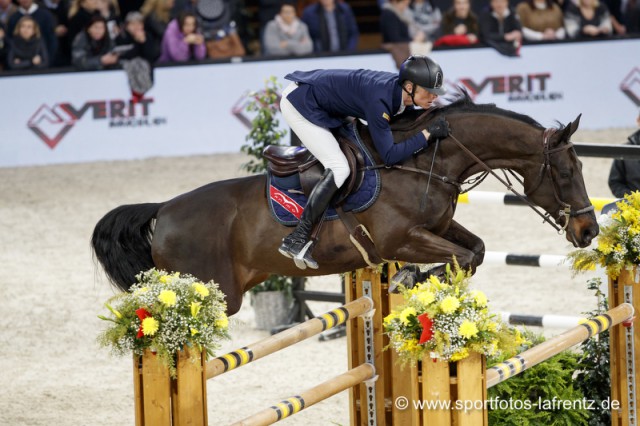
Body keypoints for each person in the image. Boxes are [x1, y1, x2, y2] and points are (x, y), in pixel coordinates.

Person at [278, 55, 451, 269]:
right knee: (339, 167)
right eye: (429, 91)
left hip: (326, 101)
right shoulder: (380, 101)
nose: (434, 96)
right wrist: (426, 135)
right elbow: (389, 156)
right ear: (409, 87)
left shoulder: (398, 95)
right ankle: (297, 238)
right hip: (301, 103)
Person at [7, 0, 57, 65]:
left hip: (43, 66)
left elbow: (52, 40)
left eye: (29, 27)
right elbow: (10, 42)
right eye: (23, 26)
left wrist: (46, 62)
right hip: (18, 69)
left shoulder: (46, 15)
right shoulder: (13, 18)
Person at [608, 111, 640, 198]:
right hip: (632, 208)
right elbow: (614, 182)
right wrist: (633, 198)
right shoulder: (624, 150)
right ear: (638, 120)